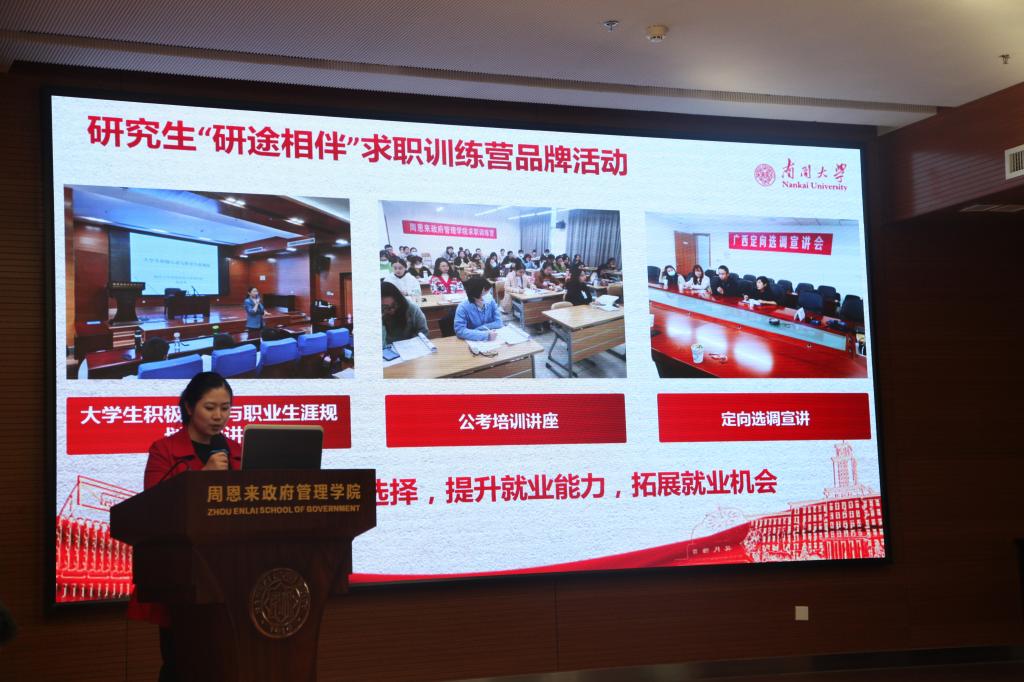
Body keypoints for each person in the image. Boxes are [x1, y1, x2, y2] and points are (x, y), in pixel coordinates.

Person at [131, 372, 242, 682]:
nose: (219, 416)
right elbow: (153, 507)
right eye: (210, 407)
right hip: (181, 576)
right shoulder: (164, 450)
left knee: (228, 666)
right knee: (183, 666)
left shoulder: (238, 451)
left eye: (226, 408)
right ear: (189, 407)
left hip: (233, 574)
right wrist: (203, 476)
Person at [454, 277, 504, 341]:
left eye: (489, 292)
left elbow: (499, 323)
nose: (488, 295)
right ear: (476, 294)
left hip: (492, 338)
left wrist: (480, 328)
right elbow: (460, 331)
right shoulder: (463, 307)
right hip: (473, 341)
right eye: (485, 292)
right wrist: (485, 335)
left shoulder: (491, 301)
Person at [381, 281, 428, 345]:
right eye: (385, 307)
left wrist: (412, 343)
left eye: (394, 305)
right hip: (388, 347)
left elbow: (423, 331)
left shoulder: (411, 308)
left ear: (399, 300)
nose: (392, 310)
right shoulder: (377, 314)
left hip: (412, 346)